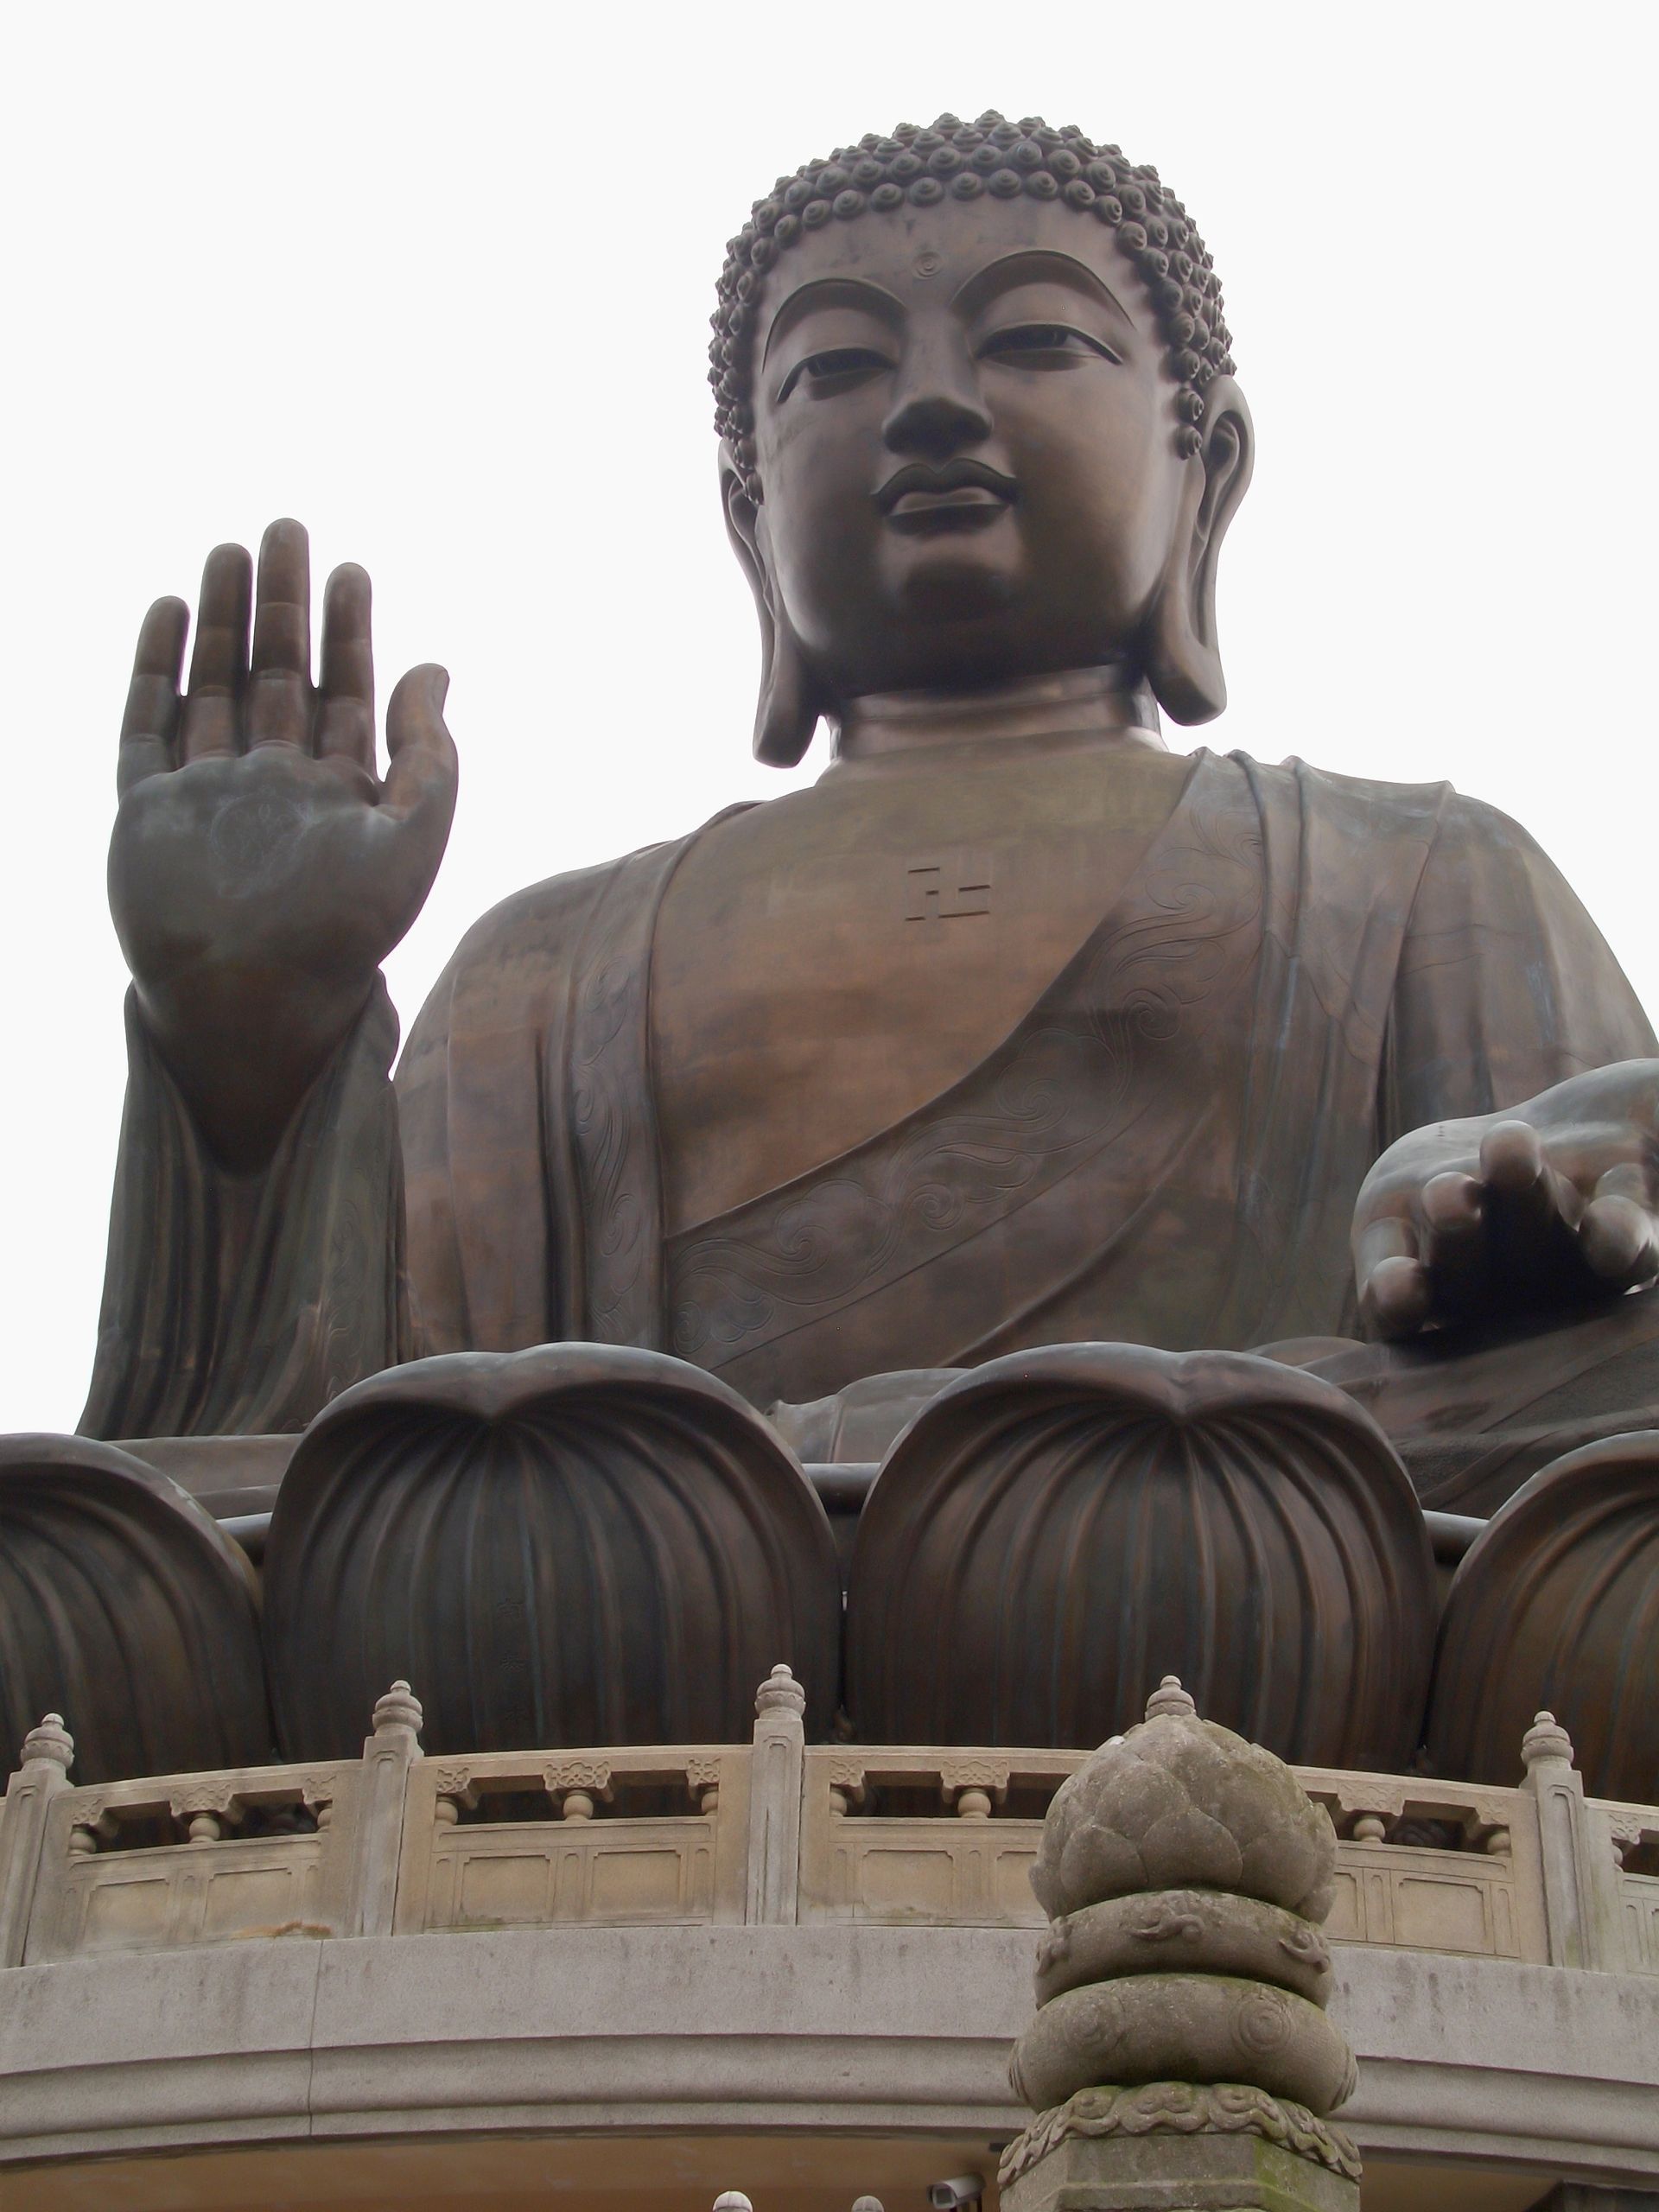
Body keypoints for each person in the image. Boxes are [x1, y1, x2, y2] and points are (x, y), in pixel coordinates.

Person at [84, 114, 1659, 1509]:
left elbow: (1594, 1305)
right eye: (835, 367)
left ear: (1209, 472)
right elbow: (310, 1458)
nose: (923, 409)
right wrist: (257, 1049)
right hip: (658, 1593)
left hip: (1249, 1551)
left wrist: (1532, 1205)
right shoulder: (542, 967)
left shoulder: (1424, 874)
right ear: (747, 512)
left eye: (1034, 341)